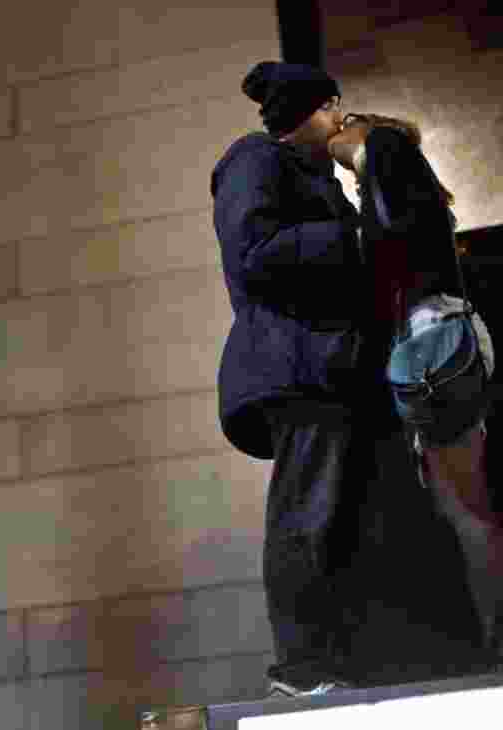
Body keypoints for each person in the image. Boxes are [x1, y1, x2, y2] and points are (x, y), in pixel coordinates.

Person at [212, 61, 487, 695]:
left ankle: (384, 657)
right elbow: (254, 254)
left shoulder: (319, 179)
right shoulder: (252, 160)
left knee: (369, 516)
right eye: (334, 107)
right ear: (313, 109)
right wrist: (359, 237)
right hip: (300, 369)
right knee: (309, 512)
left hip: (344, 371)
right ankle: (302, 667)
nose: (341, 121)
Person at [328, 113, 501, 645]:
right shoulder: (420, 203)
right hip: (444, 346)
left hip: (431, 350)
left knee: (467, 510)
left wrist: (361, 145)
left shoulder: (392, 172)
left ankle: (495, 635)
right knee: (468, 506)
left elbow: (357, 145)